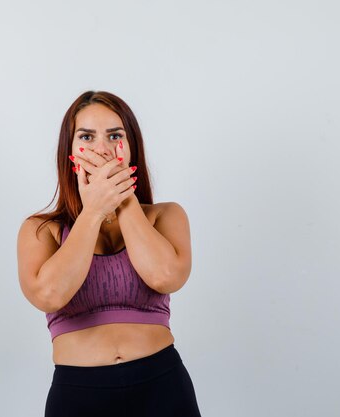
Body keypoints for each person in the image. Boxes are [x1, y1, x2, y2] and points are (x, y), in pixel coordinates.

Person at [17, 90, 202, 417]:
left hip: (162, 385)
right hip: (78, 392)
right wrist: (93, 212)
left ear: (130, 149)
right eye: (87, 136)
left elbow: (165, 276)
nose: (101, 149)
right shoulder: (40, 229)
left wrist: (123, 200)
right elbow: (49, 295)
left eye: (114, 136)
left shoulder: (166, 216)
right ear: (70, 152)